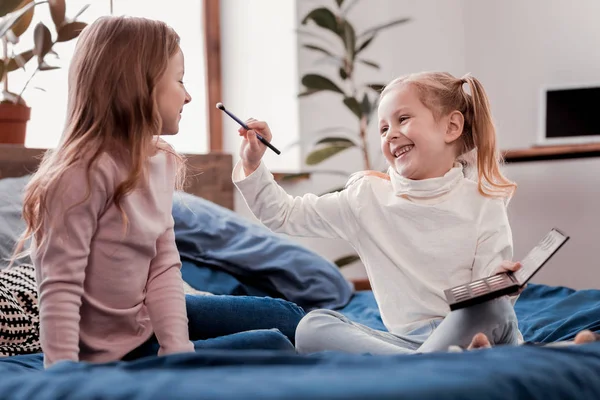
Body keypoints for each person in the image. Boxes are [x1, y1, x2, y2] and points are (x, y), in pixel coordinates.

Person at [11, 16, 304, 368]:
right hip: (105, 356)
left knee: (289, 318)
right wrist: (64, 372)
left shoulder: (161, 161)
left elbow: (163, 266)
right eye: (179, 80)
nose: (189, 95)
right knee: (273, 342)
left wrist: (176, 348)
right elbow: (59, 286)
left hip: (145, 324)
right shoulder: (77, 175)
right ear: (138, 84)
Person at [233, 71, 525, 355]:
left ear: (451, 127)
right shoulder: (366, 198)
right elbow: (283, 214)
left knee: (495, 307)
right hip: (407, 344)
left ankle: (432, 360)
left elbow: (490, 301)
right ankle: (430, 361)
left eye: (403, 119)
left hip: (469, 331)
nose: (391, 134)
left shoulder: (484, 200)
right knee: (312, 326)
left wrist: (498, 284)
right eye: (383, 129)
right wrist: (252, 163)